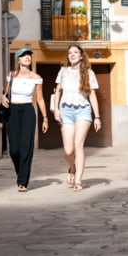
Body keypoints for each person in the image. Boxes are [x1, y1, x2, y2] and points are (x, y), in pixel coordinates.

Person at [52, 44, 101, 191]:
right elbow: (57, 91)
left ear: (81, 56)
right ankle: (72, 168)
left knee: (78, 145)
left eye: (75, 52)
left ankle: (78, 180)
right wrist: (56, 110)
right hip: (65, 110)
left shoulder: (88, 73)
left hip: (83, 111)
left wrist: (97, 116)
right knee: (68, 151)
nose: (72, 55)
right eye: (69, 53)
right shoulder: (63, 71)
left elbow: (92, 95)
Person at [0, 48, 48, 192]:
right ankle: (21, 173)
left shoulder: (36, 77)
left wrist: (45, 118)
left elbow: (40, 99)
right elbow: (5, 93)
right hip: (13, 111)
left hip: (28, 111)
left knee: (26, 148)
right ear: (18, 60)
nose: (27, 57)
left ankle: (23, 182)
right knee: (14, 150)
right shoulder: (12, 75)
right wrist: (3, 97)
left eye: (29, 55)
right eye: (23, 55)